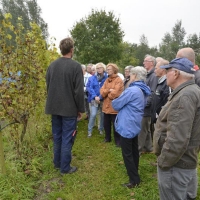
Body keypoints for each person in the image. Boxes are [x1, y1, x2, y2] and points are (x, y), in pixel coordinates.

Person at [153, 57, 200, 200]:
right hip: (185, 160)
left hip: (176, 165)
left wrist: (163, 163)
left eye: (167, 71)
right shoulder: (191, 90)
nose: (165, 74)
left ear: (175, 73)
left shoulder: (184, 96)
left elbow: (177, 138)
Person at [45, 37, 85, 174]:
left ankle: (57, 163)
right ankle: (65, 168)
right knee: (67, 138)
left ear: (61, 49)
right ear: (72, 50)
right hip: (69, 109)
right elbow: (78, 91)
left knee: (57, 137)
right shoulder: (75, 67)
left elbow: (48, 86)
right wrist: (80, 109)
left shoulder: (52, 65)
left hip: (54, 107)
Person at [112, 66, 151, 188]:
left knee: (127, 153)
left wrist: (116, 99)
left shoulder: (132, 90)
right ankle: (134, 171)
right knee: (134, 150)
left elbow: (116, 104)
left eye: (131, 75)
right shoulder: (144, 89)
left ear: (135, 76)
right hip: (135, 122)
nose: (129, 77)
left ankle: (134, 180)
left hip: (127, 124)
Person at [138, 55, 158, 155]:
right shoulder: (148, 74)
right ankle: (149, 147)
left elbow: (152, 92)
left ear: (152, 63)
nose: (143, 63)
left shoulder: (153, 75)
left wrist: (145, 104)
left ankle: (138, 150)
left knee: (142, 129)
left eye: (146, 61)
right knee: (147, 128)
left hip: (146, 107)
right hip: (146, 106)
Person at [100, 63, 124, 147]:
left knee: (115, 125)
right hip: (106, 106)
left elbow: (116, 93)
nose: (107, 70)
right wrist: (108, 90)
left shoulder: (119, 80)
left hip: (114, 107)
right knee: (106, 124)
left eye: (109, 69)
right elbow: (102, 92)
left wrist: (108, 93)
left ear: (114, 70)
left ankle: (118, 141)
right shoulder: (107, 80)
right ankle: (107, 138)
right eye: (107, 69)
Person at [87, 62, 107, 137]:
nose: (99, 69)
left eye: (100, 68)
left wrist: (100, 97)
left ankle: (101, 129)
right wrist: (95, 96)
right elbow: (89, 87)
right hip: (93, 99)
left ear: (103, 68)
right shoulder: (91, 78)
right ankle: (89, 131)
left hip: (103, 99)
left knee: (102, 115)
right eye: (97, 68)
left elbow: (106, 88)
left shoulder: (107, 78)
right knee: (93, 114)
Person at [151, 59, 170, 124]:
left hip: (162, 120)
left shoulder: (167, 83)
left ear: (162, 69)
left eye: (156, 68)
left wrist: (160, 116)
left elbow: (167, 103)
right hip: (158, 119)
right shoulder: (161, 82)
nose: (154, 71)